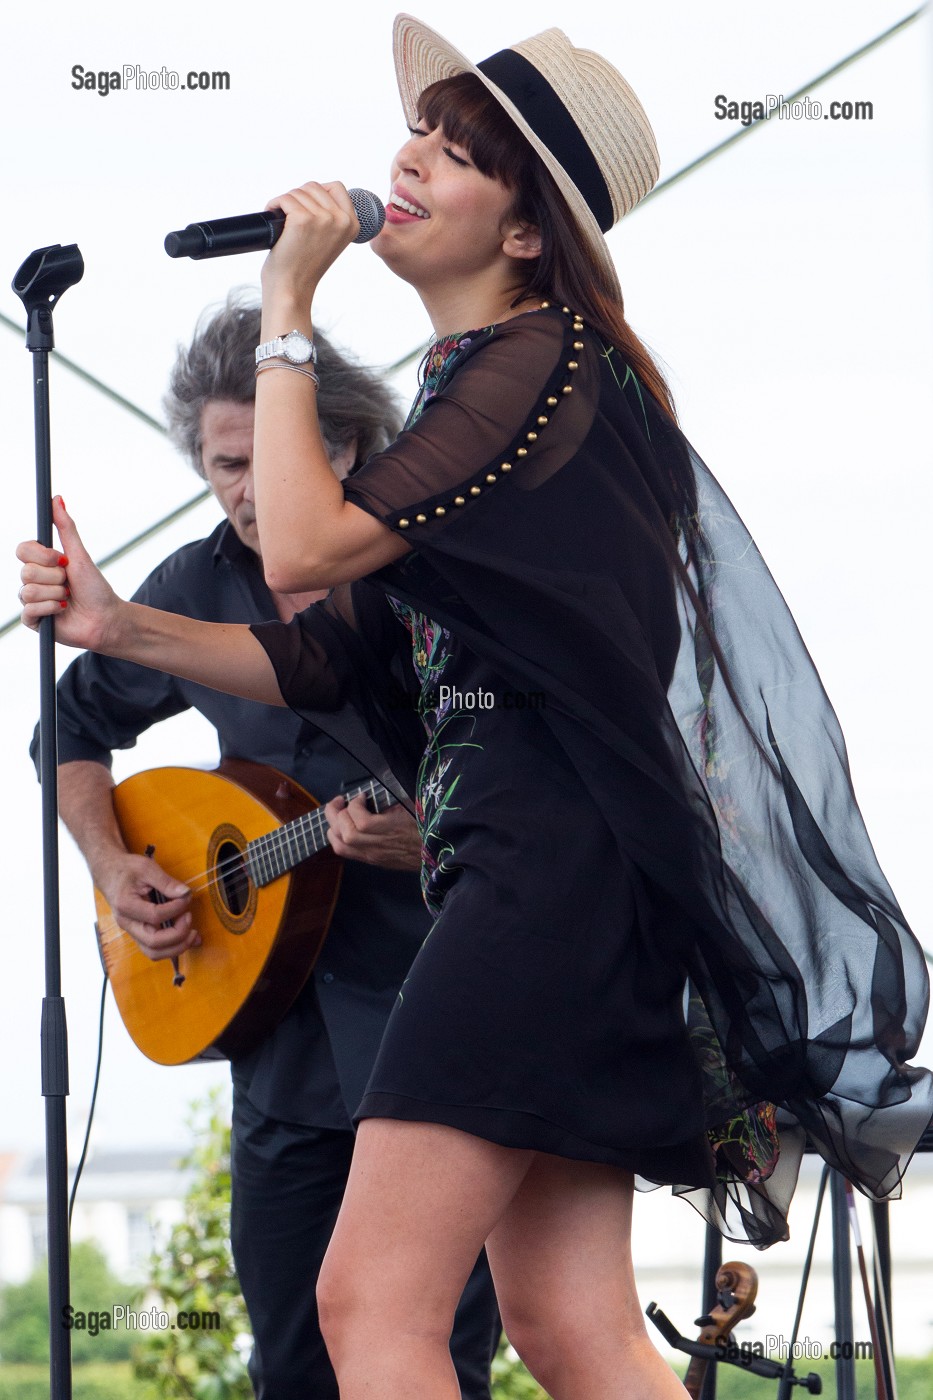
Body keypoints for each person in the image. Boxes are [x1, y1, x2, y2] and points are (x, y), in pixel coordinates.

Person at [19, 14, 933, 1398]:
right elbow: (332, 657)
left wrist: (286, 307)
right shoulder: (486, 394)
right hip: (556, 879)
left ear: (522, 232)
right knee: (572, 1331)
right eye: (421, 134)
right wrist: (119, 626)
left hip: (540, 879)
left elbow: (300, 552)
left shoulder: (535, 360)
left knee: (369, 1306)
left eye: (457, 153)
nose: (411, 159)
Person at [27, 294, 500, 1400]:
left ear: (337, 439)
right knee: (290, 1360)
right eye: (221, 461)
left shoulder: (430, 575)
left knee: (437, 1352)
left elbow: (535, 788)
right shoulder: (194, 586)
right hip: (278, 1044)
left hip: (437, 1032)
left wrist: (427, 839)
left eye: (261, 454)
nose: (244, 487)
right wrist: (109, 861)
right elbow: (70, 725)